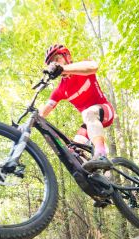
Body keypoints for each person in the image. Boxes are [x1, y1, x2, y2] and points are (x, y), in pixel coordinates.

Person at [39, 44, 115, 172]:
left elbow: (92, 67)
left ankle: (101, 154)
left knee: (88, 113)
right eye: (51, 63)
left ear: (67, 56)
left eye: (57, 59)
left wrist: (63, 68)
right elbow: (44, 111)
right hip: (89, 123)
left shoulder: (82, 67)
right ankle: (94, 177)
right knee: (72, 149)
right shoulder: (60, 90)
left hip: (105, 111)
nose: (54, 64)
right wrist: (25, 126)